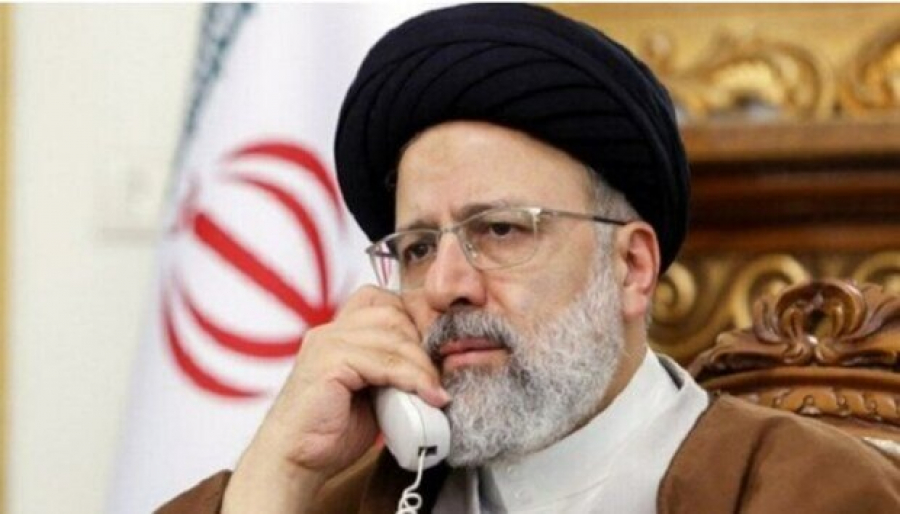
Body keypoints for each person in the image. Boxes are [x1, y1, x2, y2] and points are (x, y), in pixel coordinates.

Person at [160, 4, 900, 513]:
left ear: (632, 267)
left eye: (501, 231)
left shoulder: (801, 489)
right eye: (418, 247)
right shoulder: (345, 499)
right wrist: (281, 469)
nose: (446, 284)